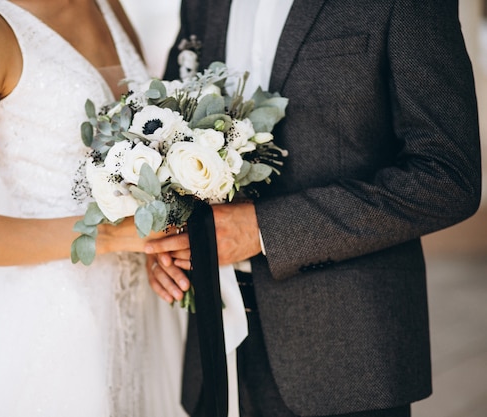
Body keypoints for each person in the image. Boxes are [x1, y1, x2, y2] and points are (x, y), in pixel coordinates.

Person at [145, 1, 482, 416]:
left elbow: (448, 176)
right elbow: (166, 127)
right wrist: (168, 235)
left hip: (345, 354)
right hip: (216, 351)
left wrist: (263, 230)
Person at [0, 0, 187, 415]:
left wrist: (154, 235)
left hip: (141, 317)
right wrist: (114, 234)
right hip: (51, 325)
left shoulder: (105, 5)